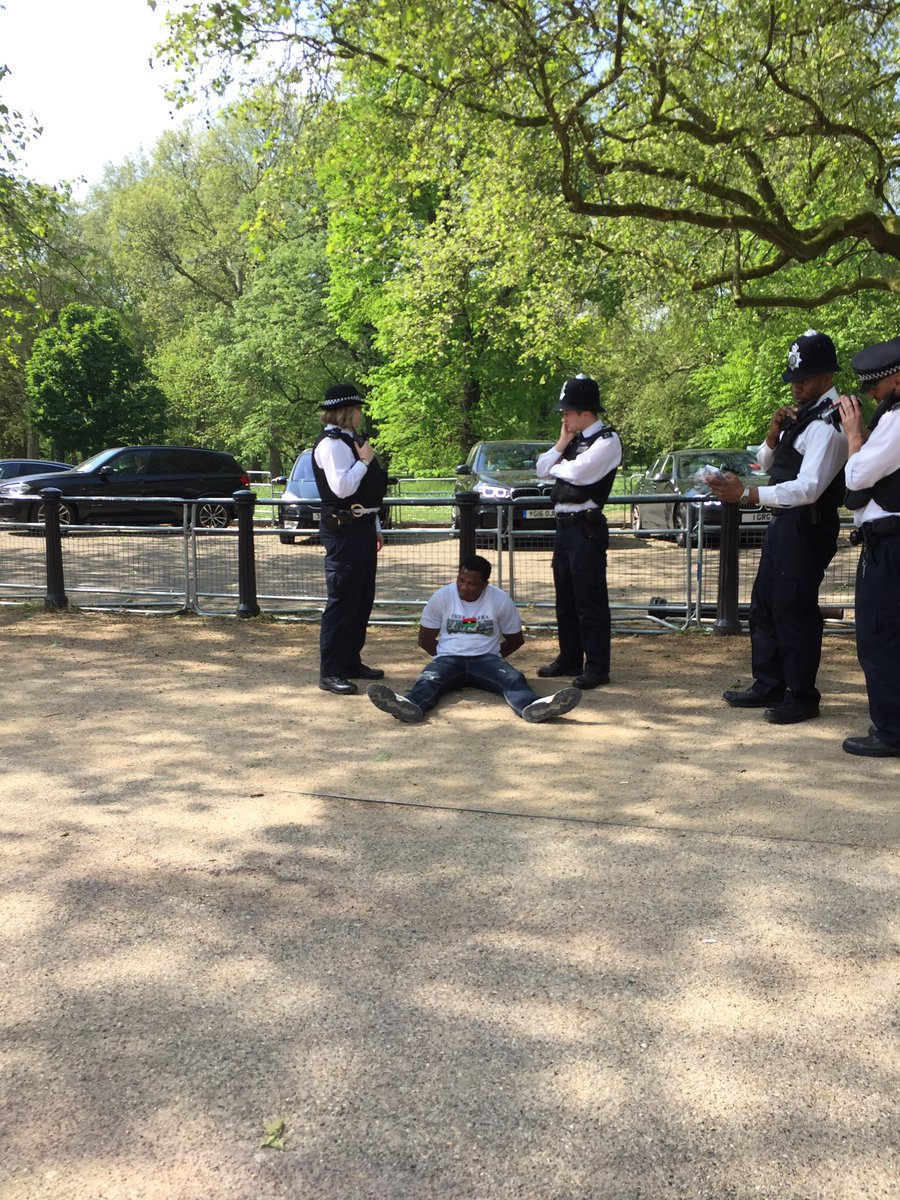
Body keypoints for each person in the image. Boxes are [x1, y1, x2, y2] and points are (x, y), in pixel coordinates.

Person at [707, 330, 848, 724]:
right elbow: (767, 465)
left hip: (807, 524)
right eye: (793, 379)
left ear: (826, 377)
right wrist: (772, 434)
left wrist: (748, 496)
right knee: (765, 605)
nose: (797, 386)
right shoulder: (803, 418)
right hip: (786, 524)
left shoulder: (829, 423)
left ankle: (802, 695)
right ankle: (768, 683)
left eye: (804, 378)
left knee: (794, 611)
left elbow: (809, 488)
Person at [366, 556, 582, 723]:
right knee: (429, 679)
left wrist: (494, 657)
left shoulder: (499, 599)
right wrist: (444, 656)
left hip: (486, 659)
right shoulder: (442, 597)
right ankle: (409, 706)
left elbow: (516, 639)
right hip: (449, 658)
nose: (464, 587)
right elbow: (425, 639)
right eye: (461, 580)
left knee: (513, 679)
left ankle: (534, 706)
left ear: (484, 584)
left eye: (472, 583)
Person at [534, 374, 623, 689]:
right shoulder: (572, 441)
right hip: (564, 527)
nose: (564, 416)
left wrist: (560, 466)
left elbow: (580, 474)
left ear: (585, 412)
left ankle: (597, 666)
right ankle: (569, 658)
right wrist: (561, 445)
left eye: (568, 411)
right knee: (566, 599)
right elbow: (541, 468)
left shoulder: (607, 441)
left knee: (590, 600)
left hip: (585, 526)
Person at [836, 338, 900, 757]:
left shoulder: (896, 420)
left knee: (879, 637)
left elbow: (857, 477)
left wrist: (854, 437)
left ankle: (890, 731)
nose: (870, 394)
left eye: (876, 385)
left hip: (890, 546)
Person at [312, 383, 388, 695]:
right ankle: (330, 670)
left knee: (361, 599)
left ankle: (350, 660)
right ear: (347, 412)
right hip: (344, 531)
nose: (360, 413)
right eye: (357, 409)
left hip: (361, 526)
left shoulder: (347, 441)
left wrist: (375, 528)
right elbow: (342, 488)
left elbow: (364, 495)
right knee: (343, 600)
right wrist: (365, 462)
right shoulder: (331, 445)